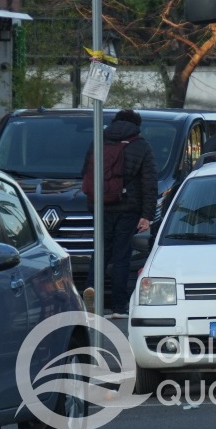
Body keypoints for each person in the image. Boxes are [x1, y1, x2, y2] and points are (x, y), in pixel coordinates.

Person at [82, 108, 158, 319]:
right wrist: (147, 214)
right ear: (136, 125)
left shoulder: (98, 142)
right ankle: (118, 306)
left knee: (100, 251)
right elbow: (149, 183)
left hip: (100, 206)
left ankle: (91, 290)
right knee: (122, 256)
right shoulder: (140, 145)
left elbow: (85, 173)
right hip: (128, 208)